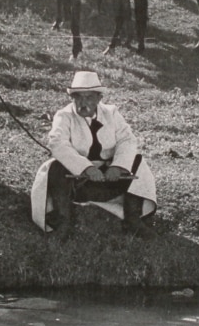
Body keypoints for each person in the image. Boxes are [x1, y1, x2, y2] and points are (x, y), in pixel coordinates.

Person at [30, 71, 157, 239]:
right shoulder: (64, 116)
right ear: (72, 98)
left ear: (99, 98)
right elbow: (57, 143)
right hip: (77, 183)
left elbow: (127, 140)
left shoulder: (111, 113)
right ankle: (63, 221)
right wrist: (86, 168)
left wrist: (118, 167)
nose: (83, 103)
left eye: (89, 97)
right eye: (78, 98)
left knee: (137, 161)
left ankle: (133, 219)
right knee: (55, 167)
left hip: (108, 181)